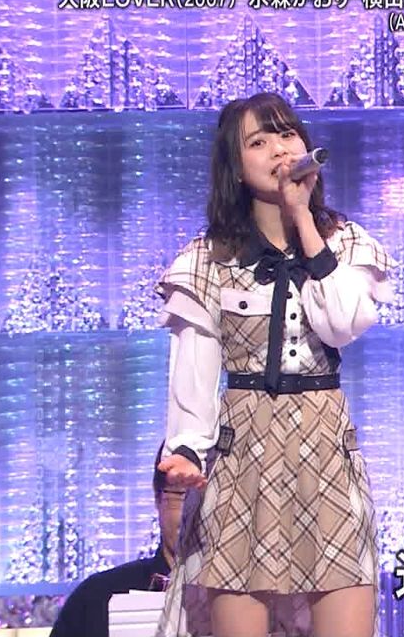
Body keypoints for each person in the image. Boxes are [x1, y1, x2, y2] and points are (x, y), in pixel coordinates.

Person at [153, 92, 391, 637]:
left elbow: (343, 325)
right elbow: (194, 367)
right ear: (236, 168)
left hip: (325, 451)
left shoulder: (347, 243)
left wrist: (303, 219)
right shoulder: (206, 259)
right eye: (258, 141)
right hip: (243, 456)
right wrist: (187, 448)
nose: (279, 149)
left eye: (286, 134)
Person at [50, 444, 182, 637]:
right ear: (157, 497)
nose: (196, 511)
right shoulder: (96, 599)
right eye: (182, 494)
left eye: (208, 498)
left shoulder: (231, 602)